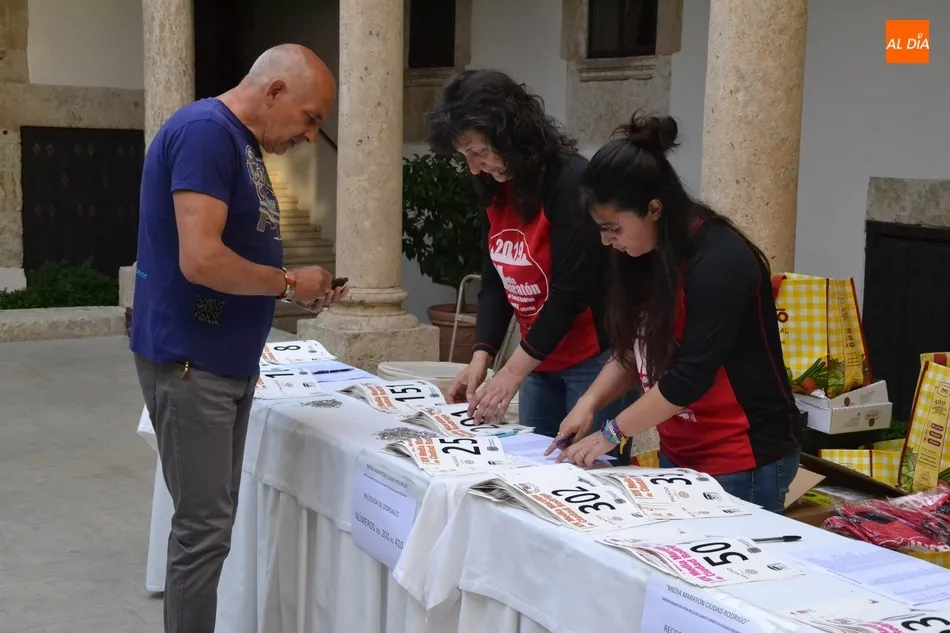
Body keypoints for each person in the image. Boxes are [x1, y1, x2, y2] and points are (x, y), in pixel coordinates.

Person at [130, 44, 345, 633]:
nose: (308, 135)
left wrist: (292, 284)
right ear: (274, 91)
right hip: (191, 361)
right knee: (202, 530)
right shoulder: (205, 132)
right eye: (311, 117)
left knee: (210, 526)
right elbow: (200, 259)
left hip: (221, 362)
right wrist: (283, 282)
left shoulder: (238, 142)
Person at [546, 113, 806, 513]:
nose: (606, 241)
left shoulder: (721, 260)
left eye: (613, 228)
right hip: (681, 452)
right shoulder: (642, 254)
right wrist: (589, 402)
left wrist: (609, 434)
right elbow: (636, 350)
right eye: (600, 229)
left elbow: (688, 379)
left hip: (742, 460)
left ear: (653, 208)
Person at [425, 69, 638, 439]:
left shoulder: (570, 181)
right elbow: (494, 280)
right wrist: (482, 357)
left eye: (480, 152)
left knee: (584, 471)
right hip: (538, 360)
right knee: (533, 464)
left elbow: (570, 294)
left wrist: (511, 373)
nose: (475, 166)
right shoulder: (494, 185)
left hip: (594, 360)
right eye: (466, 157)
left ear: (511, 134)